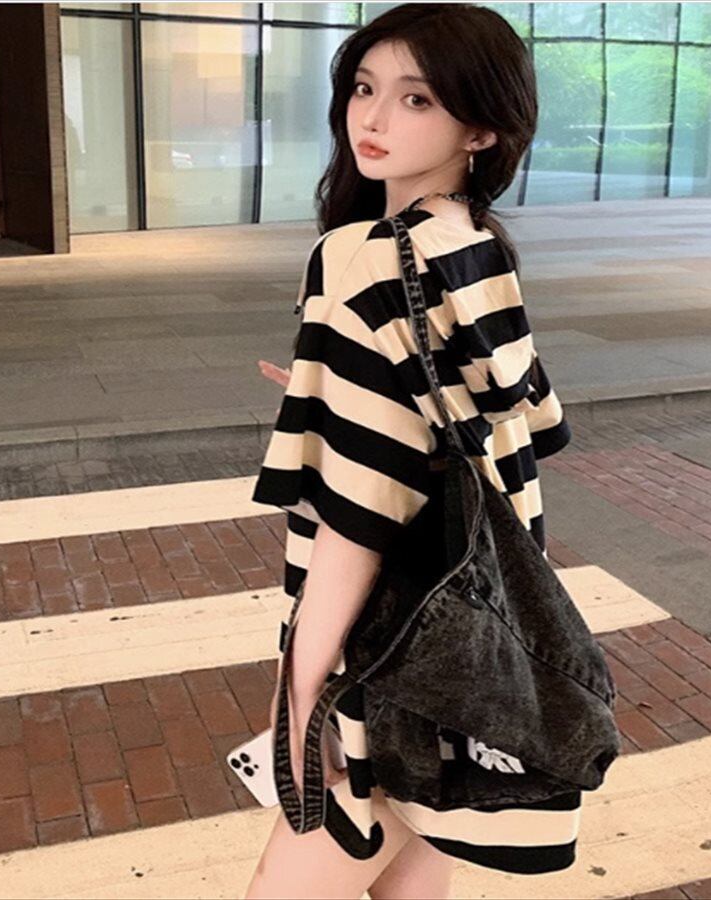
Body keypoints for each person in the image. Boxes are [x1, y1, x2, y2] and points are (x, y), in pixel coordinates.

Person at [247, 5, 574, 898]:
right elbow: (524, 423)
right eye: (364, 88)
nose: (375, 118)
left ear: (483, 128)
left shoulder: (358, 257)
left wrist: (299, 697)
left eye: (417, 98)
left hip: (381, 653)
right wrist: (335, 397)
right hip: (475, 647)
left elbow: (360, 515)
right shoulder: (479, 246)